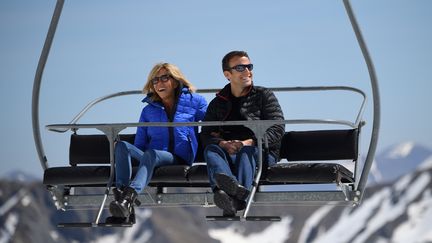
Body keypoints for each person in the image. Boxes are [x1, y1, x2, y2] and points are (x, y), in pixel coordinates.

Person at [108, 63, 207, 222]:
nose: (159, 83)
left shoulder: (195, 102)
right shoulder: (148, 110)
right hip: (152, 157)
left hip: (178, 157)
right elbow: (140, 141)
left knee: (151, 154)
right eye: (155, 80)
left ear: (174, 82)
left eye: (164, 78)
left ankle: (129, 197)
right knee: (122, 146)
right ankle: (122, 198)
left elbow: (213, 122)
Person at [201, 51, 285, 216]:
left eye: (249, 67)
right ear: (228, 74)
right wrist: (223, 144)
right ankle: (233, 193)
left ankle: (228, 197)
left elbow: (278, 128)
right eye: (240, 67)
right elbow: (206, 134)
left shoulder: (263, 96)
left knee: (246, 152)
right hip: (229, 150)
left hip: (260, 151)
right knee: (211, 150)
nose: (247, 71)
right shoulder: (218, 102)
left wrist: (248, 142)